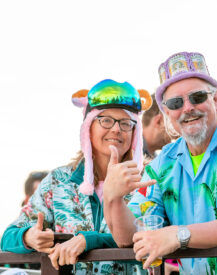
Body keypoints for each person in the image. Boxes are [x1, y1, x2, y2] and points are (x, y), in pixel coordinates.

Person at [103, 52, 217, 274]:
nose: (188, 108)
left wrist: (178, 235)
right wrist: (112, 197)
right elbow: (131, 236)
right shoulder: (163, 164)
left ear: (216, 99)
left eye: (198, 97)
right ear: (166, 112)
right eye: (175, 102)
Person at [1, 79, 154, 275]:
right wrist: (29, 237)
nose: (116, 129)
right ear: (88, 128)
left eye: (126, 123)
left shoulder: (149, 179)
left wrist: (88, 240)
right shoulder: (58, 181)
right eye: (105, 120)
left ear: (135, 132)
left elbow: (150, 234)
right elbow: (8, 237)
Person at [142, 93, 172, 159]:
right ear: (159, 121)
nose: (176, 131)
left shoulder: (155, 160)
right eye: (172, 124)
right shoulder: (128, 152)